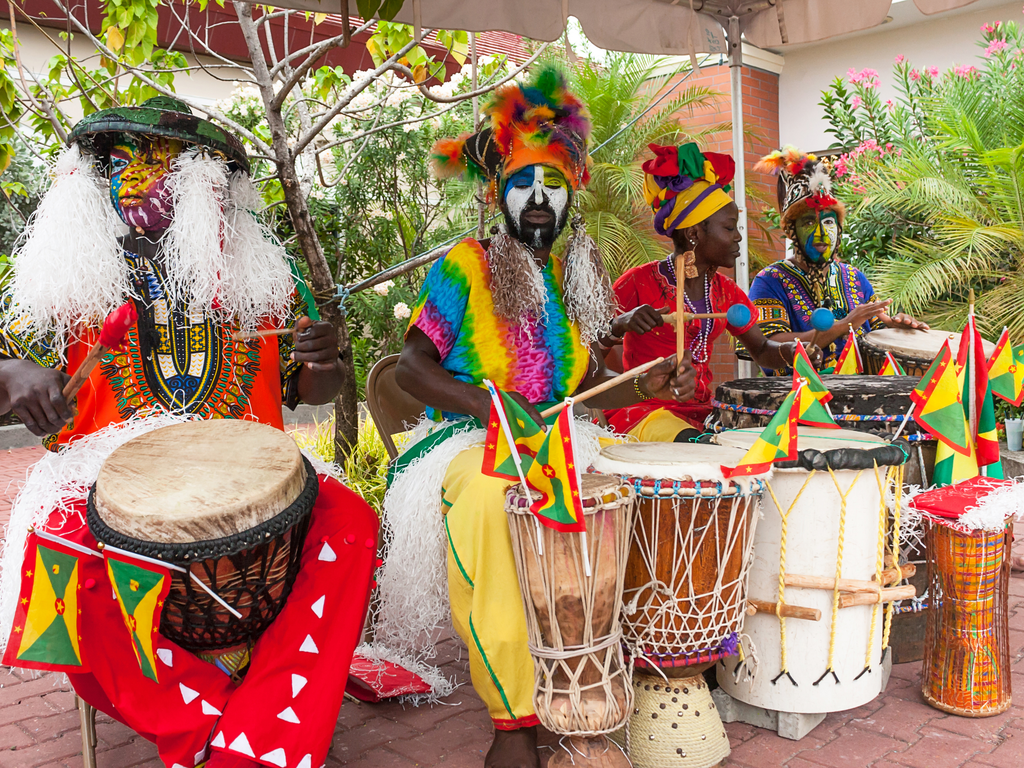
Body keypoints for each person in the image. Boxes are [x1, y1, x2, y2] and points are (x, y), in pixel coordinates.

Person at [0, 97, 377, 768]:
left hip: (251, 483)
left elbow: (310, 390)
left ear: (211, 188)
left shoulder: (267, 276)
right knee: (57, 558)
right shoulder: (62, 279)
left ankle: (243, 739)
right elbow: (6, 365)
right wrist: (12, 372)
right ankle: (241, 731)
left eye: (165, 165)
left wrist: (326, 363)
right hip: (102, 486)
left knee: (348, 523)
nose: (139, 179)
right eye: (119, 163)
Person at [373, 66, 695, 768]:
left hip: (562, 432)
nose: (540, 197)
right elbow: (410, 370)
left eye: (553, 184)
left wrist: (653, 384)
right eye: (525, 183)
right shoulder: (469, 263)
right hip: (469, 438)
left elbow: (590, 390)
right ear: (499, 193)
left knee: (674, 457)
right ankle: (514, 722)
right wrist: (494, 409)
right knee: (496, 500)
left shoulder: (581, 270)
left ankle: (647, 669)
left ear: (570, 196)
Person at [603, 142, 822, 442]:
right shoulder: (638, 283)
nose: (738, 237)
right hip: (645, 413)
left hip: (703, 412)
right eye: (729, 228)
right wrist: (619, 325)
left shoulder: (727, 293)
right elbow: (590, 353)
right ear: (694, 233)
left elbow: (760, 350)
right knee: (698, 445)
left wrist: (788, 352)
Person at [749, 146, 927, 374]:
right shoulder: (770, 280)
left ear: (839, 228)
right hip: (798, 400)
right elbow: (769, 346)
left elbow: (875, 332)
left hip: (860, 397)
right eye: (808, 223)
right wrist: (842, 326)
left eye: (829, 222)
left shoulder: (853, 277)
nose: (822, 233)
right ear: (791, 231)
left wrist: (895, 327)